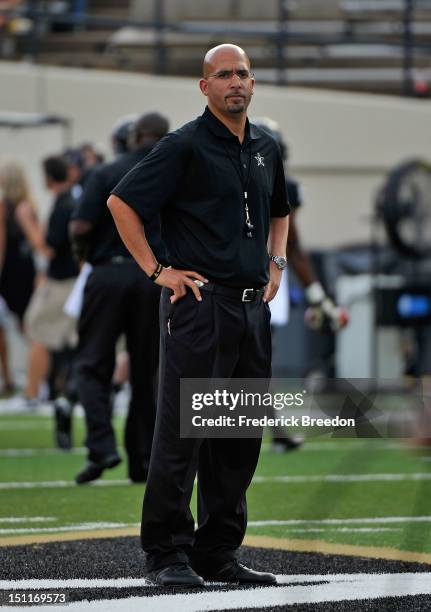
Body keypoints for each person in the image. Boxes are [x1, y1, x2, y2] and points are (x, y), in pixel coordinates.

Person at [108, 44, 289, 587]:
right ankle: (165, 553)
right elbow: (122, 204)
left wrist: (276, 261)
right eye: (224, 74)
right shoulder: (183, 144)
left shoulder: (265, 147)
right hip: (198, 308)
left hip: (251, 310)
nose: (236, 81)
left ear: (253, 83)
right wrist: (157, 269)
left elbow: (280, 209)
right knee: (183, 434)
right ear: (204, 86)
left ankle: (217, 551)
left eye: (244, 73)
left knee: (237, 436)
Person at [71, 112, 169, 484]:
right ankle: (141, 461)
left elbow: (80, 226)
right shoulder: (174, 173)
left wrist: (85, 260)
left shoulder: (105, 173)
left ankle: (102, 445)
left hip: (108, 273)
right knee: (146, 372)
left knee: (92, 363)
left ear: (133, 137)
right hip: (155, 276)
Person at [254, 118, 349, 452]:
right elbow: (291, 245)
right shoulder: (279, 185)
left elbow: (290, 243)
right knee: (252, 361)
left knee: (249, 361)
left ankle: (271, 430)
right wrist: (317, 295)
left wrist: (316, 295)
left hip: (245, 276)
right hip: (252, 278)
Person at [24, 156, 79, 428]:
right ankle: (56, 392)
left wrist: (27, 223)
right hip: (65, 281)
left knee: (38, 332)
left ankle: (34, 394)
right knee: (66, 339)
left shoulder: (64, 203)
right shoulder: (69, 199)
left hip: (62, 283)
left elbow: (47, 248)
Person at [0, 161, 48, 400]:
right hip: (20, 272)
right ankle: (38, 379)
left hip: (15, 274)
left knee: (30, 329)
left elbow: (37, 242)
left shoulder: (13, 208)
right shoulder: (20, 206)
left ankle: (34, 381)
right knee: (27, 327)